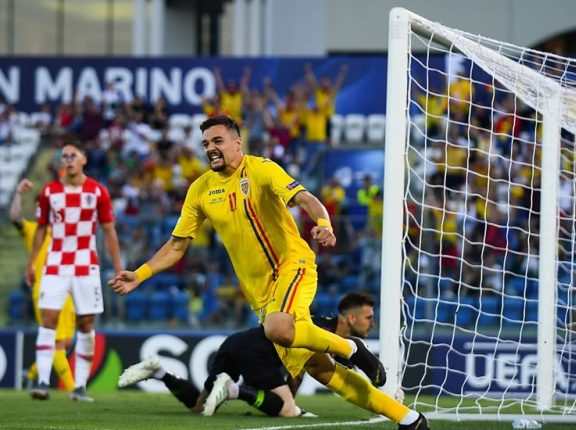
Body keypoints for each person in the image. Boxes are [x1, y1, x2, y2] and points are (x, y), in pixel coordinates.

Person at [109, 115, 429, 430]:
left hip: (292, 265)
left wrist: (324, 223)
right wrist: (141, 274)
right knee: (320, 368)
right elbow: (177, 246)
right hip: (261, 296)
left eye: (218, 141)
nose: (210, 148)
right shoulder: (200, 189)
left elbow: (305, 198)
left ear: (238, 143)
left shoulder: (262, 169)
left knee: (278, 329)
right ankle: (408, 418)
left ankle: (352, 348)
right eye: (205, 143)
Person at [117, 292, 380, 418]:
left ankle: (160, 372)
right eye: (369, 318)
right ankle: (234, 390)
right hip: (257, 350)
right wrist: (292, 407)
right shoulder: (322, 332)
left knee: (199, 404)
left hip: (237, 341)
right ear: (351, 318)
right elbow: (298, 371)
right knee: (286, 409)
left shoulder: (325, 329)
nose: (372, 324)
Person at [26, 141, 123, 401]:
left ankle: (79, 386)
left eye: (73, 155)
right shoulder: (49, 192)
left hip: (85, 265)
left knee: (86, 323)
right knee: (48, 320)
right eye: (64, 156)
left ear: (83, 159)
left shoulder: (97, 191)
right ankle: (42, 382)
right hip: (55, 264)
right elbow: (40, 230)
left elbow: (109, 231)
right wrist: (31, 262)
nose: (68, 159)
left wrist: (118, 268)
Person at [10, 178, 76, 393]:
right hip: (46, 290)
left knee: (65, 343)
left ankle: (30, 374)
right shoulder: (32, 229)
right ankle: (75, 391)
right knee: (57, 344)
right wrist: (18, 193)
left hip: (66, 291)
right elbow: (15, 218)